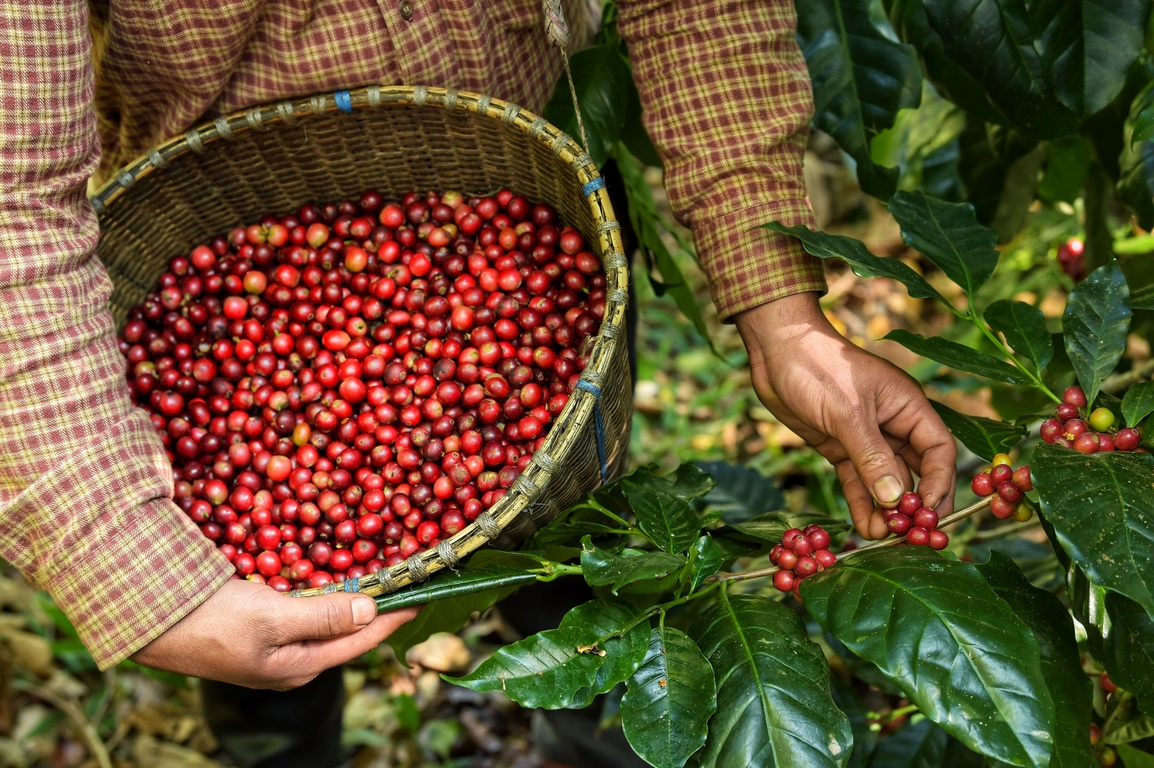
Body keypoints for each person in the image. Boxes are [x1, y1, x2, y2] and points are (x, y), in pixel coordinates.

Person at [0, 0, 956, 761]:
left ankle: (603, 745)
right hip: (210, 179)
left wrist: (782, 312)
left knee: (587, 575)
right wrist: (134, 565)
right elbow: (13, 201)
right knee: (250, 630)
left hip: (517, 162)